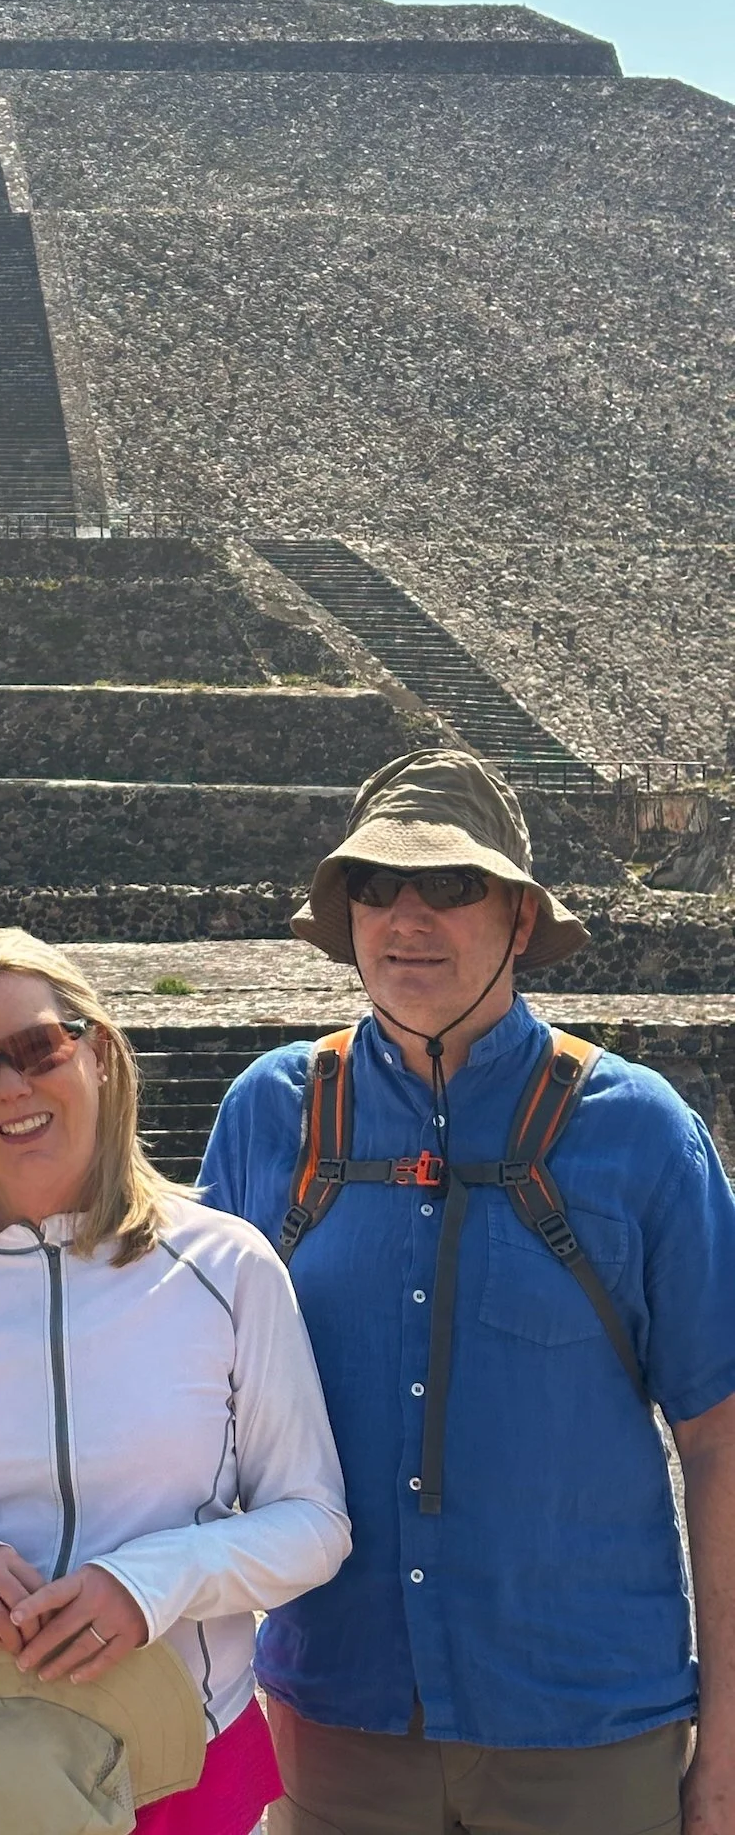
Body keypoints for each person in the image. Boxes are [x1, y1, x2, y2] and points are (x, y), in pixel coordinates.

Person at [202, 749, 735, 1835]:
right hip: (337, 1719)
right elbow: (157, 1360)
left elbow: (719, 1444)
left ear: (518, 916)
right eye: (375, 885)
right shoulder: (273, 1114)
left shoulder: (638, 1135)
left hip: (582, 1723)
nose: (406, 916)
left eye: (449, 884)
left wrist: (724, 1743)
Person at [0, 929, 350, 1835]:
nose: (13, 1088)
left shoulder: (231, 1267)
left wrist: (156, 1581)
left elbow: (314, 1526)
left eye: (37, 1049)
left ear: (97, 1049)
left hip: (183, 1755)